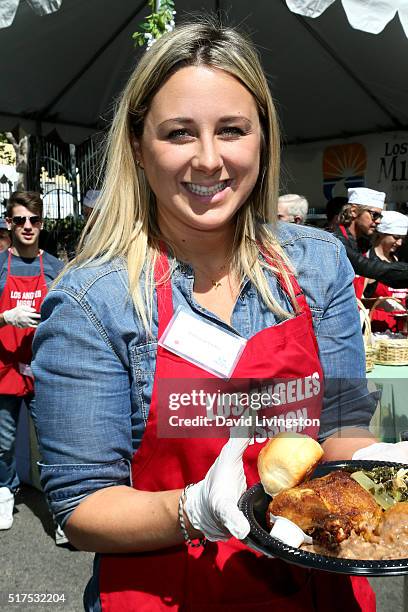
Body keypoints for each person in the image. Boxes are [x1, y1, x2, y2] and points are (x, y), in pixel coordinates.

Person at [31, 20, 407, 612]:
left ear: (262, 137)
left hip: (316, 583)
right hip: (170, 591)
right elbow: (82, 510)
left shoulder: (317, 263)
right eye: (180, 133)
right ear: (137, 144)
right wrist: (192, 509)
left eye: (231, 130)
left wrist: (383, 467)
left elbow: (338, 431)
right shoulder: (91, 301)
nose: (209, 160)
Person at [0, 191, 63, 533]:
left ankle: (62, 510)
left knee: (53, 443)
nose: (27, 226)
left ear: (41, 224)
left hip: (45, 369)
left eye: (33, 220)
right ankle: (5, 493)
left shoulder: (55, 267)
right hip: (4, 368)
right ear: (9, 223)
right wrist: (5, 316)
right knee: (2, 442)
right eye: (19, 219)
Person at [334, 187, 408, 299]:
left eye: (380, 216)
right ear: (354, 211)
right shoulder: (336, 240)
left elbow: (386, 277)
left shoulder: (363, 244)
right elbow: (367, 267)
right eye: (375, 215)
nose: (378, 221)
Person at [364, 210, 408, 333]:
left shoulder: (397, 260)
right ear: (381, 234)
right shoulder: (368, 262)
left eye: (402, 239)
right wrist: (378, 303)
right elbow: (358, 300)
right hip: (377, 329)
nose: (399, 243)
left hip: (400, 329)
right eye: (396, 237)